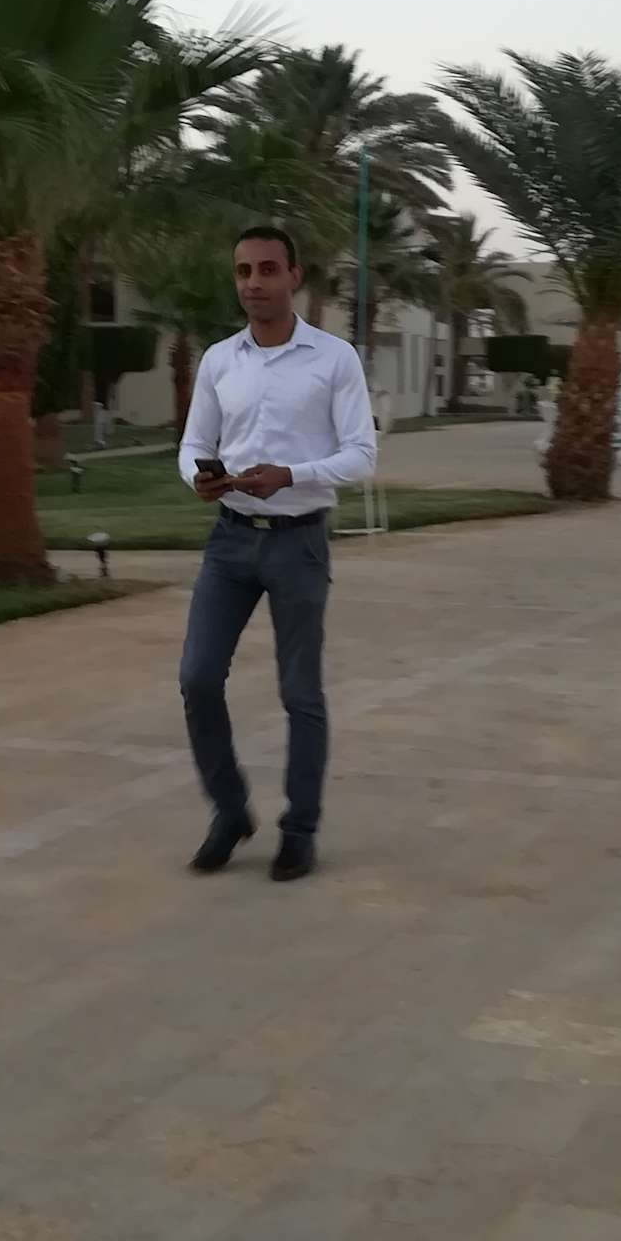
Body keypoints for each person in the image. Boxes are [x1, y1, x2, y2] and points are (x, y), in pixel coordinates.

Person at [178, 225, 377, 882]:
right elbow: (194, 443)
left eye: (267, 269)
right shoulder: (219, 360)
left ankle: (300, 830)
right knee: (197, 676)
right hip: (230, 539)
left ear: (294, 276)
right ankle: (229, 811)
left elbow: (361, 454)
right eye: (243, 271)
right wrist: (198, 477)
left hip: (299, 541)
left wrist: (291, 475)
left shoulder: (333, 359)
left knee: (300, 692)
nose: (253, 283)